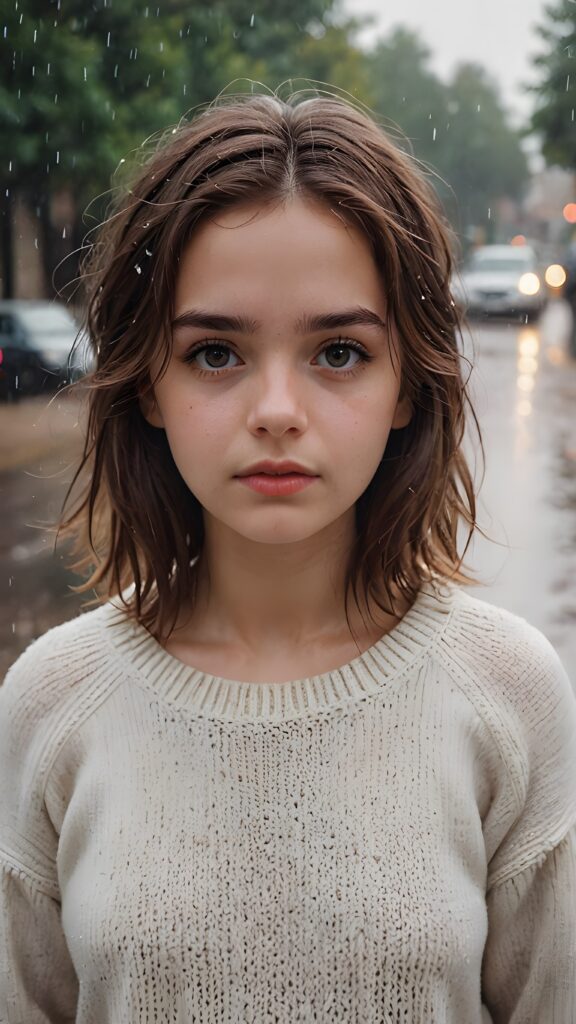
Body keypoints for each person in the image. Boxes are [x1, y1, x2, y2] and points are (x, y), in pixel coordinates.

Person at [1, 90, 575, 1024]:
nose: (276, 409)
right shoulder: (51, 705)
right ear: (148, 385)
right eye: (215, 353)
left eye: (339, 352)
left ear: (406, 384)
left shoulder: (508, 695)